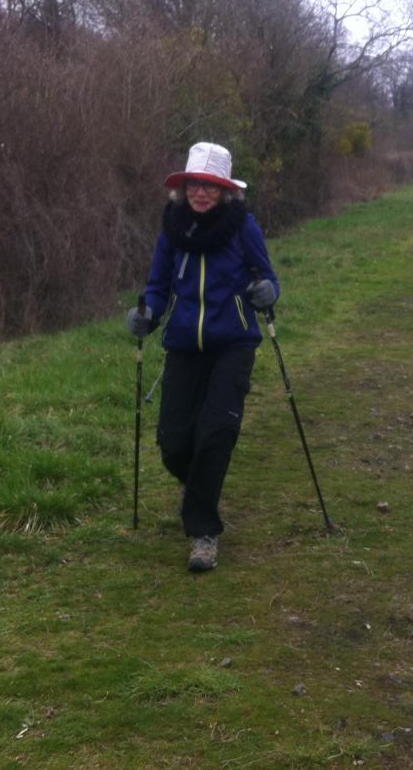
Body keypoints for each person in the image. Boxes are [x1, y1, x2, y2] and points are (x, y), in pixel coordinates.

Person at [126, 142, 280, 572]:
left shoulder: (242, 227)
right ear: (184, 187)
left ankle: (203, 533)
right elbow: (157, 287)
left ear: (225, 191)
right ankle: (201, 490)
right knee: (174, 444)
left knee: (215, 433)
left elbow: (267, 277)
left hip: (234, 343)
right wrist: (147, 314)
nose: (201, 193)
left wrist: (268, 293)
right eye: (195, 184)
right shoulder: (172, 231)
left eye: (210, 186)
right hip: (183, 346)